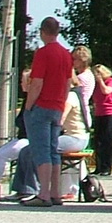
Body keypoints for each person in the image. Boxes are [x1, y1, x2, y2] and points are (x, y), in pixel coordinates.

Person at [23, 17, 74, 207]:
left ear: (43, 32)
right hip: (57, 106)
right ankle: (55, 193)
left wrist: (28, 106)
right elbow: (68, 83)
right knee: (53, 150)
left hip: (42, 106)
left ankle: (43, 193)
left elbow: (37, 83)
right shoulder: (66, 55)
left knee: (41, 149)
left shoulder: (43, 54)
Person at [91, 63, 112, 178]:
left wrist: (100, 81)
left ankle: (107, 167)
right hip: (99, 112)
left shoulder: (111, 81)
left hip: (110, 113)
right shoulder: (96, 85)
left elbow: (106, 91)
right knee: (98, 140)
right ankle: (98, 166)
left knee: (107, 140)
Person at [72, 44, 95, 123]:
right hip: (83, 110)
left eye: (74, 59)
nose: (72, 61)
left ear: (82, 60)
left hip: (78, 113)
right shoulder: (89, 74)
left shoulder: (81, 77)